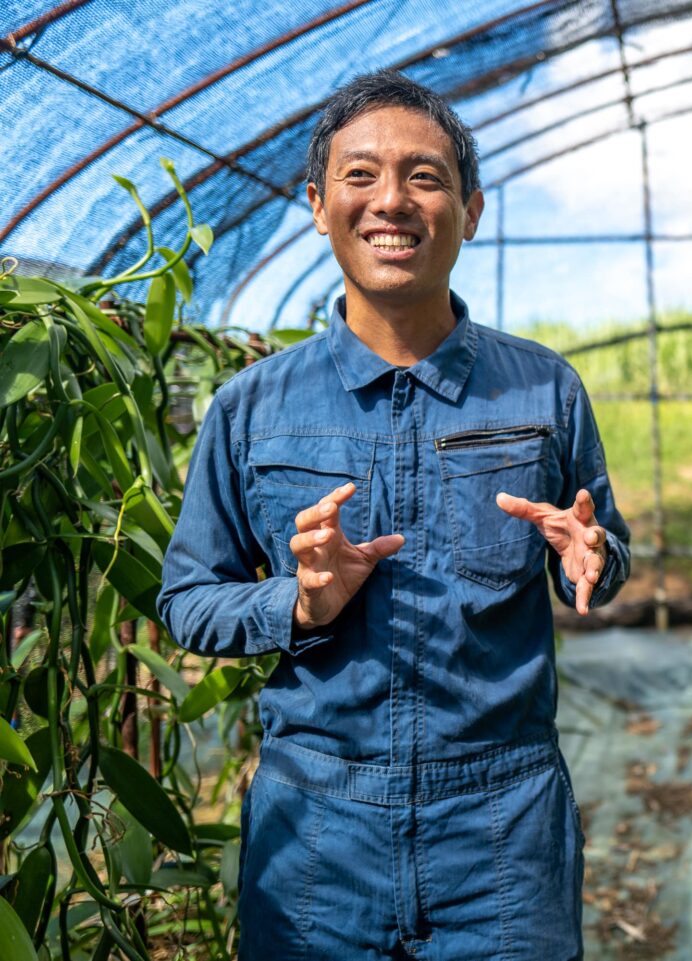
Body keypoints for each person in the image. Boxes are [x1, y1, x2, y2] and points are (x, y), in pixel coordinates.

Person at [157, 69, 629, 960]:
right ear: (318, 203)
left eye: (424, 176)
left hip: (502, 826)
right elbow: (187, 598)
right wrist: (296, 604)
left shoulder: (543, 391)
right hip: (317, 831)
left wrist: (594, 563)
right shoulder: (251, 408)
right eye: (361, 175)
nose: (393, 201)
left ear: (470, 208)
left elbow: (603, 552)